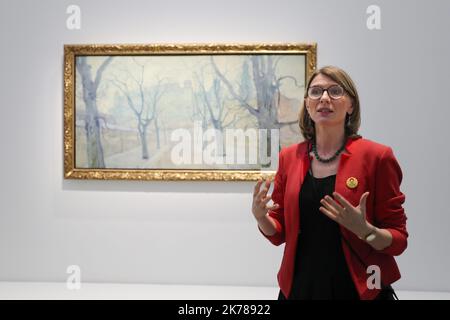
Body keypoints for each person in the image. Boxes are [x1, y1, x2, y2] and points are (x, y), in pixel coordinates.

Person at [252, 66, 408, 300]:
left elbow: (398, 240)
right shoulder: (289, 157)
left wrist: (366, 231)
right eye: (316, 92)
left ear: (351, 105)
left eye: (335, 91)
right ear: (307, 104)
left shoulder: (378, 157)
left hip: (358, 289)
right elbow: (278, 233)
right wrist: (261, 217)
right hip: (300, 288)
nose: (324, 98)